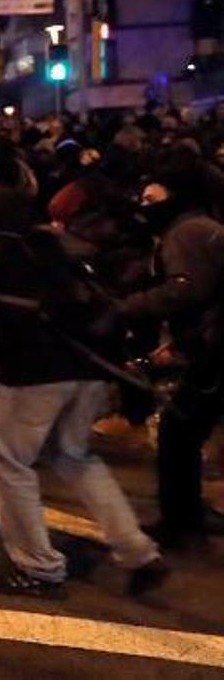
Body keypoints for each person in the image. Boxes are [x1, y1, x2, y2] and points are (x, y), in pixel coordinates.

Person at [0, 183, 166, 599]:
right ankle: (137, 550)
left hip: (34, 372)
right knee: (74, 456)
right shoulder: (48, 244)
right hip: (89, 368)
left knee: (5, 462)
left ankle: (37, 567)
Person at [115, 166, 224, 551]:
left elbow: (185, 291)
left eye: (151, 199)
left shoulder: (187, 232)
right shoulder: (202, 226)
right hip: (209, 345)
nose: (143, 207)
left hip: (214, 350)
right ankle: (187, 516)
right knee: (185, 431)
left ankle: (183, 523)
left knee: (179, 433)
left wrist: (125, 308)